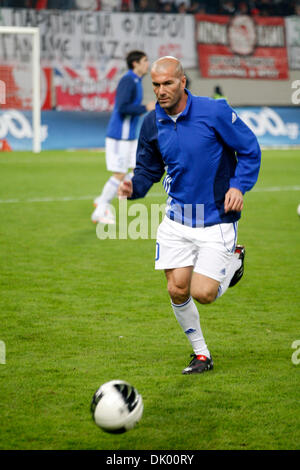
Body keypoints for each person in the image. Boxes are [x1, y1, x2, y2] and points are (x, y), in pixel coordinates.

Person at [118, 56, 261, 375]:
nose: (161, 90)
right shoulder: (152, 122)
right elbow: (148, 169)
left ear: (183, 82)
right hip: (177, 221)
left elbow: (250, 149)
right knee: (176, 289)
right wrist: (134, 187)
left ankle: (233, 261)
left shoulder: (214, 111)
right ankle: (201, 355)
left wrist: (238, 185)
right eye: (155, 84)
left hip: (216, 219)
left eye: (167, 83)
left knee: (203, 293)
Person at [91, 50, 155, 224]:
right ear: (135, 63)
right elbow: (122, 107)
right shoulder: (128, 80)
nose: (147, 63)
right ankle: (101, 208)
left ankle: (102, 199)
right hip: (119, 135)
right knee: (119, 174)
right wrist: (146, 108)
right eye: (145, 60)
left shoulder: (137, 81)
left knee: (136, 170)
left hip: (129, 136)